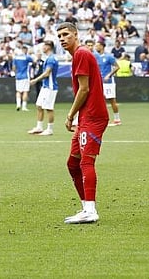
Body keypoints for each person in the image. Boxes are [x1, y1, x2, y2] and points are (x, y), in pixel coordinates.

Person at [58, 22, 107, 224]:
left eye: (66, 34)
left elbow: (84, 89)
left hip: (93, 116)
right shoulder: (79, 55)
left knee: (86, 161)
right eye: (59, 35)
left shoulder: (81, 54)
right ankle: (86, 206)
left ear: (76, 34)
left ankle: (91, 210)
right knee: (72, 163)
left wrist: (70, 115)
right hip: (86, 117)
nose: (62, 38)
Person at [28, 40, 59, 136]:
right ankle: (39, 127)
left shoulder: (51, 59)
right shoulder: (49, 58)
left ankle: (49, 129)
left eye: (44, 46)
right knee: (39, 105)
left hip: (50, 87)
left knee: (49, 108)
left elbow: (47, 73)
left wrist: (35, 80)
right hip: (45, 86)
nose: (42, 48)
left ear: (48, 47)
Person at [93, 40, 122, 126]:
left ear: (102, 46)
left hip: (108, 82)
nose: (96, 47)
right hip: (99, 82)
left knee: (112, 100)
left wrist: (108, 75)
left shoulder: (109, 57)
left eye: (97, 46)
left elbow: (117, 67)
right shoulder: (95, 57)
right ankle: (100, 119)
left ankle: (117, 119)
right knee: (98, 101)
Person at [12, 47, 34, 112]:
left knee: (18, 91)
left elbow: (13, 67)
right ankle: (24, 107)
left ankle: (18, 104)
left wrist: (16, 73)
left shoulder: (16, 57)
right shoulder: (27, 57)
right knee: (25, 91)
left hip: (18, 76)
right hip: (25, 76)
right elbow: (33, 61)